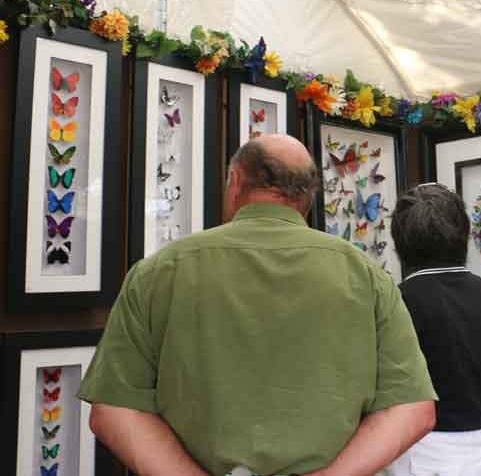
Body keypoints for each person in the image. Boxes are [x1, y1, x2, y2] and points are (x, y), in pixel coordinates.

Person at [78, 135, 437, 476]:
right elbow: (412, 410)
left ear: (234, 181)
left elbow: (114, 409)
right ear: (308, 197)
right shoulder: (368, 276)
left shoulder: (158, 272)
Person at [384, 183, 481, 476]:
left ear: (399, 241)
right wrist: (472, 399)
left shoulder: (396, 302)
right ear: (464, 234)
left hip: (421, 453)